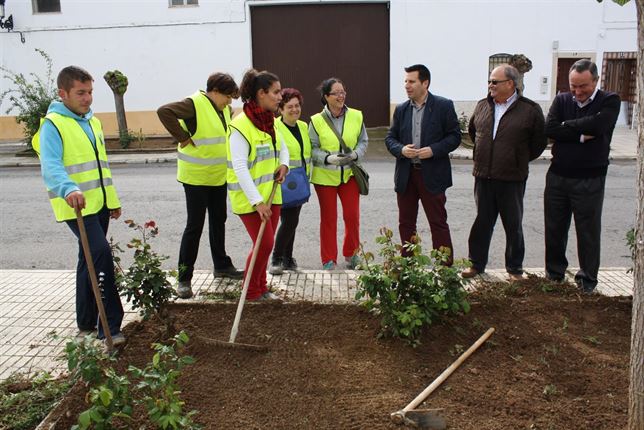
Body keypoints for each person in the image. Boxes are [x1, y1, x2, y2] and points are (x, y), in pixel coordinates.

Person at [32, 66, 125, 344]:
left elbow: (101, 167)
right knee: (101, 256)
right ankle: (110, 326)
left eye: (90, 92)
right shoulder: (53, 125)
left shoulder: (92, 121)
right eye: (80, 93)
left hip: (99, 204)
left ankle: (85, 320)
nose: (87, 98)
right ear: (63, 94)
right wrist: (68, 188)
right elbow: (51, 166)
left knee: (88, 258)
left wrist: (113, 201)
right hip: (76, 205)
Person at [157, 73, 244, 299]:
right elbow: (164, 112)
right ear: (214, 91)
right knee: (194, 226)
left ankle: (221, 265)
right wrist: (183, 137)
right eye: (227, 96)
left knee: (219, 221)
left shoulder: (223, 109)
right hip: (195, 178)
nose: (229, 102)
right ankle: (184, 279)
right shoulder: (193, 104)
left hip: (217, 176)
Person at [462, 65, 547, 280]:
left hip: (512, 178)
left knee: (513, 224)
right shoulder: (483, 105)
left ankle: (514, 269)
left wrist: (516, 158)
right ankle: (476, 264)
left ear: (510, 84)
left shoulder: (530, 109)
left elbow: (538, 143)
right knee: (482, 222)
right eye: (489, 81)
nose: (490, 85)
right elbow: (473, 132)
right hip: (483, 176)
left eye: (494, 81)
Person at [544, 59, 620, 293]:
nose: (577, 92)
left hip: (590, 178)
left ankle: (587, 280)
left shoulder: (609, 100)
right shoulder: (562, 100)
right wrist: (578, 134)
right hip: (557, 175)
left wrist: (566, 126)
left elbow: (598, 126)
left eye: (583, 86)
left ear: (595, 81)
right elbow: (549, 128)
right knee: (555, 227)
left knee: (587, 230)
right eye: (573, 86)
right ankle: (554, 274)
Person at [385, 64, 460, 265]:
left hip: (433, 174)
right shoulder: (401, 109)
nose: (407, 86)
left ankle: (444, 269)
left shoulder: (443, 106)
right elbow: (390, 138)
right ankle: (409, 267)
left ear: (424, 83)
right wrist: (401, 150)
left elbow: (454, 137)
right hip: (406, 175)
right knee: (406, 223)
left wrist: (434, 150)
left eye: (411, 81)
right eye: (405, 81)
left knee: (438, 223)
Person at [227, 69, 289, 301]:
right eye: (275, 92)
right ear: (261, 93)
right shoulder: (240, 126)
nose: (279, 96)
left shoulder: (271, 120)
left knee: (265, 245)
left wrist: (283, 165)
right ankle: (250, 291)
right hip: (251, 199)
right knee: (265, 243)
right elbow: (240, 168)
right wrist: (257, 202)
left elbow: (282, 147)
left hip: (272, 193)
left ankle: (261, 287)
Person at [309, 78, 368, 270]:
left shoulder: (357, 116)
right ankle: (328, 259)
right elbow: (313, 148)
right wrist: (328, 158)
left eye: (343, 92)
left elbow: (363, 141)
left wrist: (356, 154)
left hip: (349, 174)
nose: (341, 96)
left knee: (352, 216)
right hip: (325, 177)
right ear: (326, 97)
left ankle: (351, 254)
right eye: (336, 93)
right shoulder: (316, 121)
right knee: (329, 218)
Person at [269, 88, 312, 275]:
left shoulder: (303, 126)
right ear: (280, 109)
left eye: (297, 105)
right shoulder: (275, 128)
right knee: (289, 220)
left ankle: (287, 258)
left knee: (292, 221)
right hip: (283, 182)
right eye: (289, 106)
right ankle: (277, 259)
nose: (294, 109)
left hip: (300, 182)